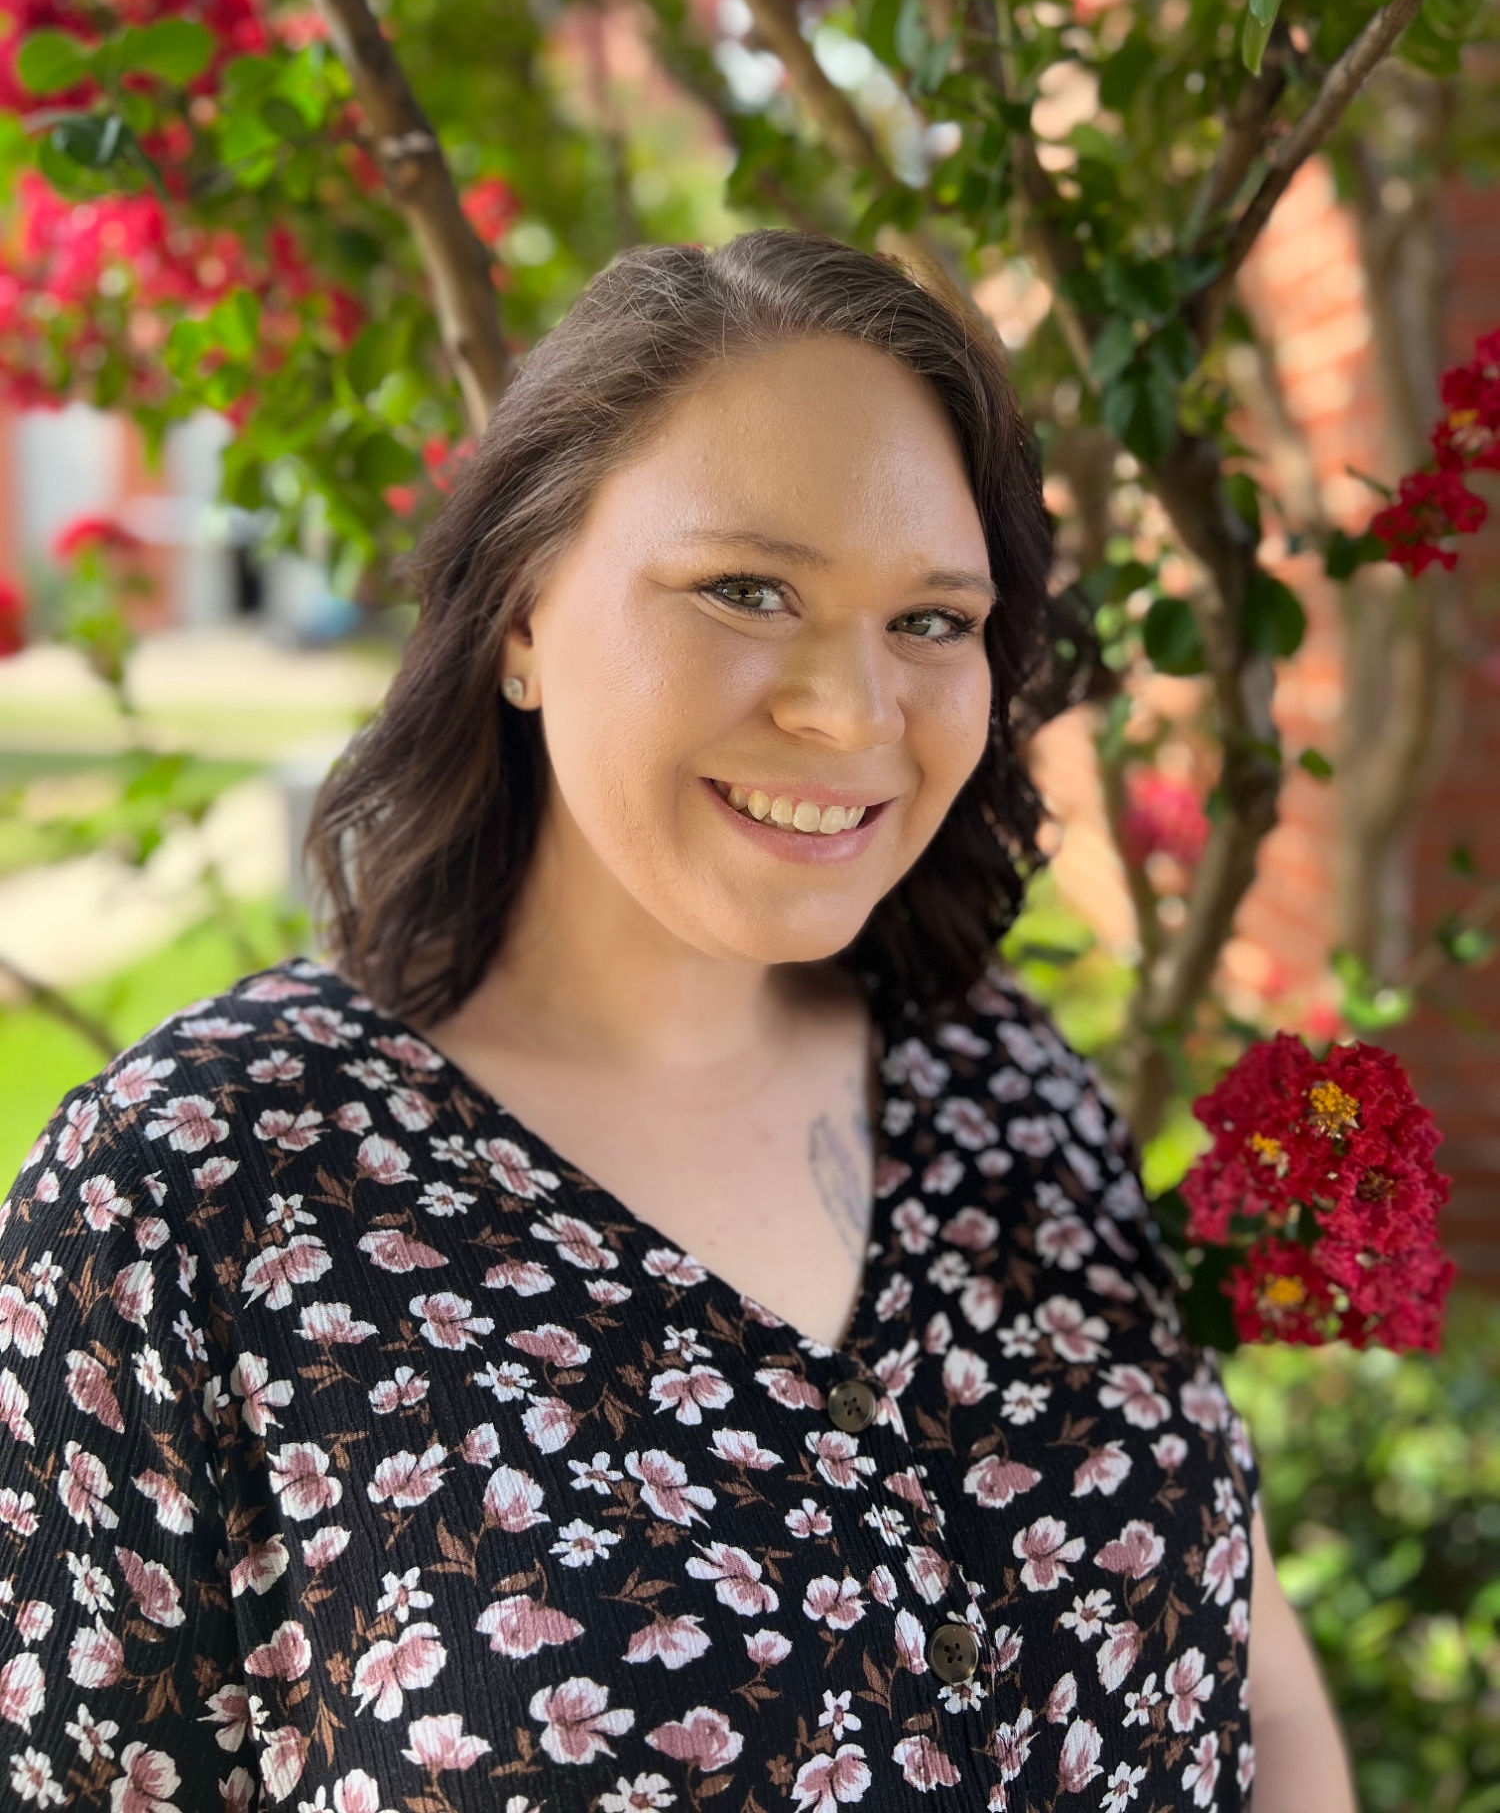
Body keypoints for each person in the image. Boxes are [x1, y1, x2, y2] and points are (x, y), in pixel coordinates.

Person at [0, 233, 1351, 1812]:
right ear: (517, 618)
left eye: (931, 620)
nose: (852, 713)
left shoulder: (1005, 1081)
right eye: (747, 589)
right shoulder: (192, 1194)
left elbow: (1268, 1697)